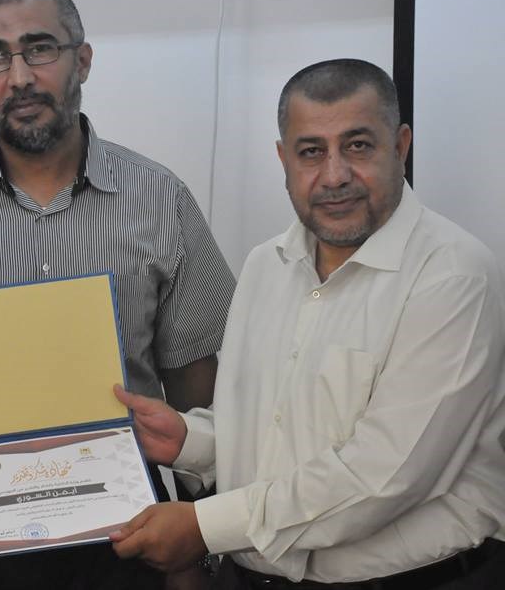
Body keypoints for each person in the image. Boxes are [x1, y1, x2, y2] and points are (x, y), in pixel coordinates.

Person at [0, 0, 235, 589]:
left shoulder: (161, 199)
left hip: (123, 537)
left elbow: (197, 383)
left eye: (39, 49)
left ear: (81, 60)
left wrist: (195, 542)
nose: (19, 77)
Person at [110, 58, 505, 588]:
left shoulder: (452, 274)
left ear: (401, 145)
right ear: (284, 159)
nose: (335, 175)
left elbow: (383, 478)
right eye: (311, 151)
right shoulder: (265, 265)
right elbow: (269, 431)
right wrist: (189, 439)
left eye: (358, 146)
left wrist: (205, 526)